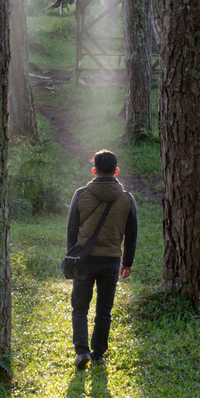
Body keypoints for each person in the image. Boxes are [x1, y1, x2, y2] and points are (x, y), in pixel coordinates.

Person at [66, 149, 138, 370]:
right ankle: (98, 354)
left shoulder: (81, 194)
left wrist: (72, 255)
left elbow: (71, 230)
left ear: (94, 170)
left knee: (79, 307)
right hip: (111, 261)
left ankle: (81, 351)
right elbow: (132, 234)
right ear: (116, 171)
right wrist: (127, 262)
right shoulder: (127, 199)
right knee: (103, 310)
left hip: (85, 260)